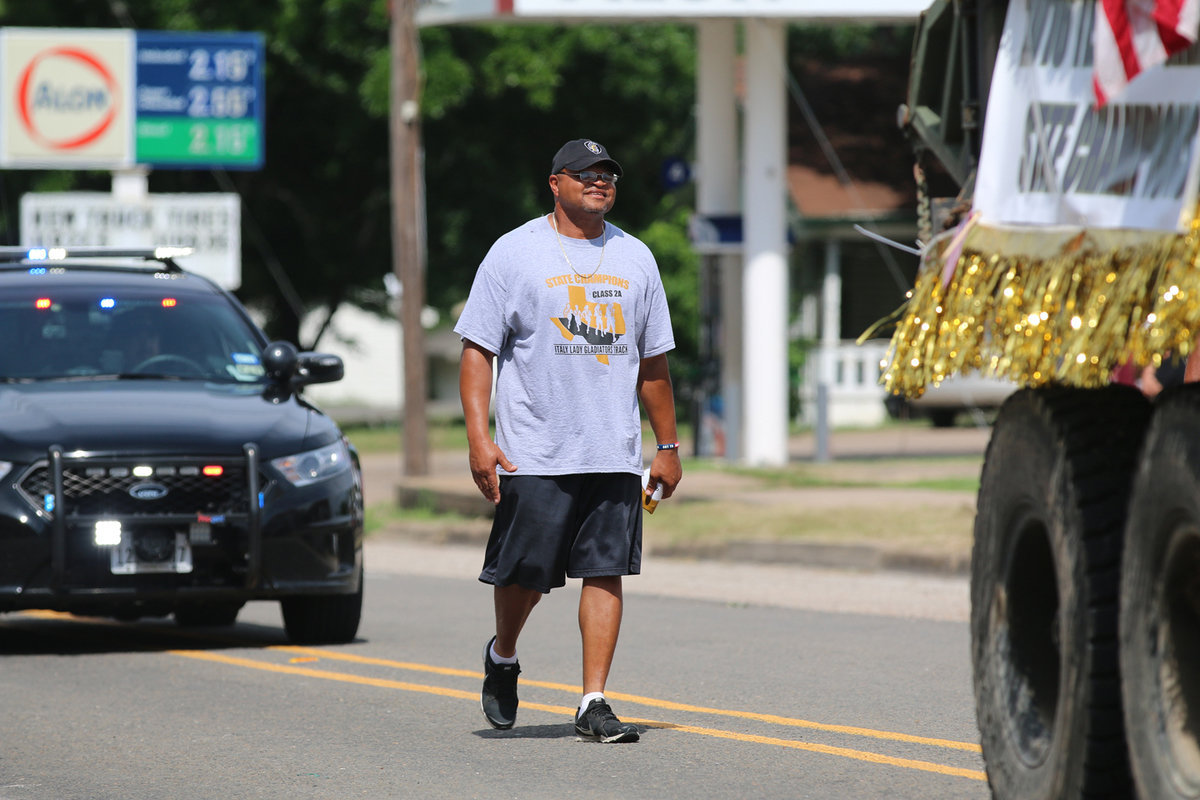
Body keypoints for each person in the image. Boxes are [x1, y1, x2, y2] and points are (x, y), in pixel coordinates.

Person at [455, 138, 682, 744]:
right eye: (585, 173)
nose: (599, 181)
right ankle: (504, 655)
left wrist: (667, 446)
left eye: (607, 173)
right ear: (555, 183)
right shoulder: (514, 253)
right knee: (525, 575)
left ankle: (593, 700)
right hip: (534, 450)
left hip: (612, 448)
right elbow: (478, 351)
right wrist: (480, 439)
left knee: (605, 571)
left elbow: (652, 362)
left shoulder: (636, 258)